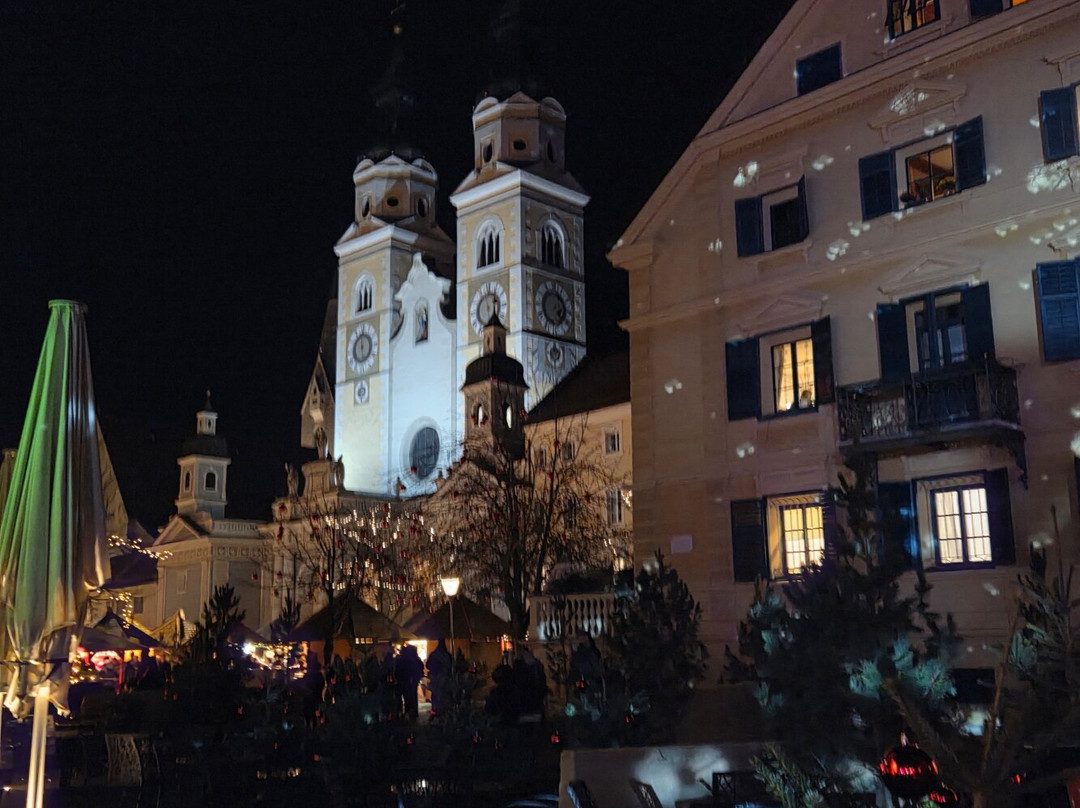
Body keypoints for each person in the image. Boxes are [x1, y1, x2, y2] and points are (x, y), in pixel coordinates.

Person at [395, 644, 424, 719]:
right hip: (411, 680)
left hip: (404, 680)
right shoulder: (414, 659)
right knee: (411, 696)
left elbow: (397, 669)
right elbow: (420, 667)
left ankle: (404, 712)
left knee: (404, 696)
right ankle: (412, 712)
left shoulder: (402, 659)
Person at [425, 638, 453, 716]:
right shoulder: (447, 655)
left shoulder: (434, 655)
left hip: (435, 677)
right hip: (445, 678)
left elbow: (428, 665)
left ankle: (435, 709)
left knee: (436, 694)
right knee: (444, 694)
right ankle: (442, 710)